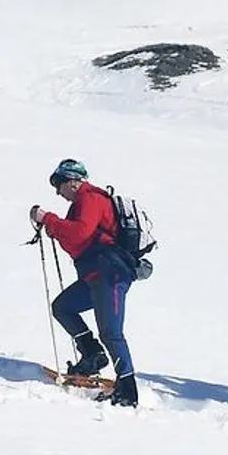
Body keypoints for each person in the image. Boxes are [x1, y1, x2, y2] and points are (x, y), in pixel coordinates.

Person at [31, 159, 139, 406]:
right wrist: (55, 226)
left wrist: (48, 218)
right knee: (63, 307)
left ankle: (128, 390)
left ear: (72, 181)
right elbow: (76, 243)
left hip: (110, 274)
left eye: (59, 185)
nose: (58, 192)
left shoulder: (90, 198)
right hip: (95, 276)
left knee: (111, 332)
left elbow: (79, 233)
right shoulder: (81, 203)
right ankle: (92, 354)